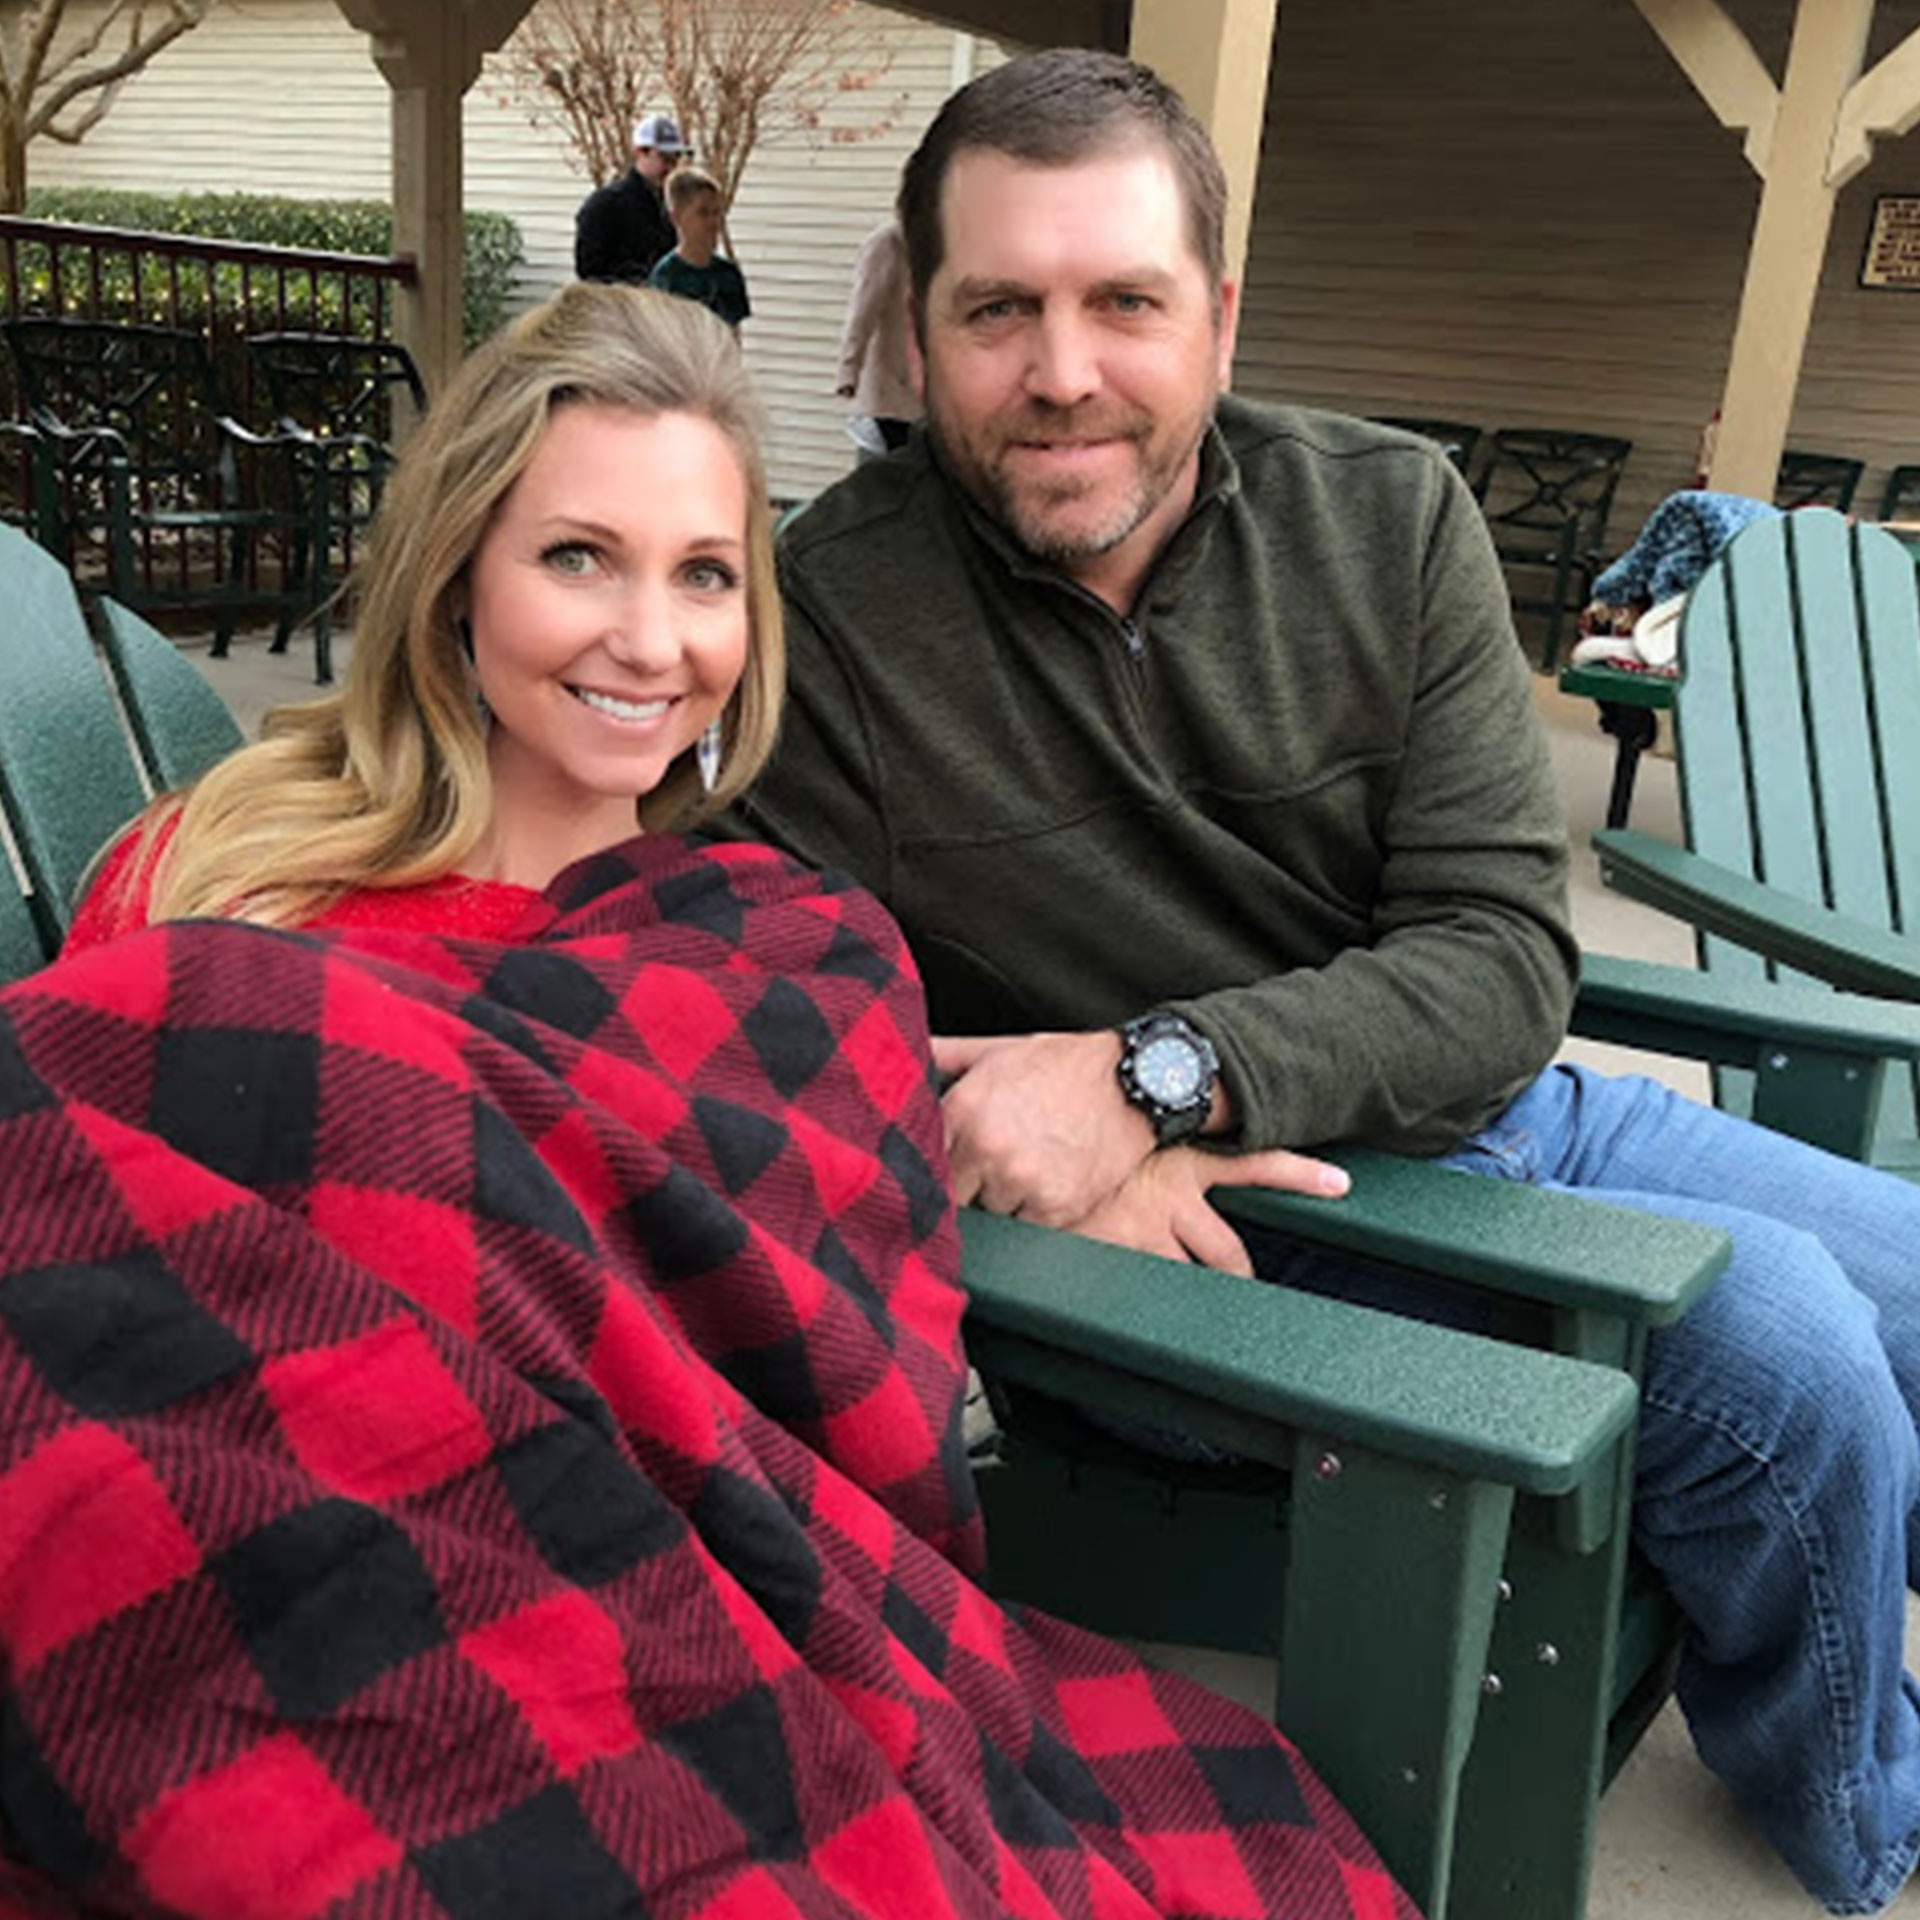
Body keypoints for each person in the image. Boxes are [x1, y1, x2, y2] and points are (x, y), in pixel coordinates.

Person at [2, 282, 1419, 1920]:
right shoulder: (225, 890)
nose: (652, 642)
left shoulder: (770, 948)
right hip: (314, 1599)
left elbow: (793, 1271)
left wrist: (1076, 1147)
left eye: (706, 578)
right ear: (458, 574)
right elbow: (101, 1256)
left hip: (702, 1599)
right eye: (578, 558)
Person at [724, 46, 1920, 1918]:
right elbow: (770, 1028)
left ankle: (1776, 1615)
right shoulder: (831, 633)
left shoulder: (1388, 518)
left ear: (1219, 315)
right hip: (1224, 1254)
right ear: (921, 328)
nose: (1063, 372)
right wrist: (1042, 1131)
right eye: (997, 309)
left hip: (1488, 1114)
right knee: (1791, 1371)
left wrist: (1146, 1074)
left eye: (1125, 300)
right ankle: (1863, 1820)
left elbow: (1502, 960)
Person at [835, 216, 919, 459]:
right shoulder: (888, 244)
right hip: (889, 394)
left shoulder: (941, 245)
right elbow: (862, 312)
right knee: (886, 479)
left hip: (925, 396)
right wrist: (848, 370)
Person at [573, 109, 688, 285]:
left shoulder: (675, 203)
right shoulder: (605, 204)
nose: (670, 168)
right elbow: (590, 271)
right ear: (640, 153)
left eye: (675, 159)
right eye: (664, 159)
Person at [647, 165, 751, 331]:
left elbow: (734, 334)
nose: (712, 222)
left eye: (716, 212)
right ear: (677, 217)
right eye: (702, 213)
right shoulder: (666, 277)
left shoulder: (728, 274)